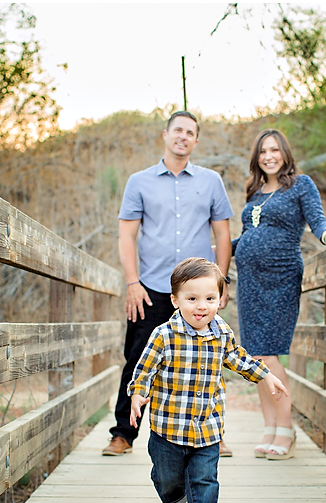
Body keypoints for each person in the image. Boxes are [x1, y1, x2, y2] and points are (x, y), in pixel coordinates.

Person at [128, 258, 289, 503]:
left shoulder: (221, 333)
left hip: (207, 426)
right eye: (192, 299)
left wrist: (265, 375)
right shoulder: (164, 335)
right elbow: (145, 369)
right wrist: (138, 394)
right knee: (168, 478)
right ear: (175, 300)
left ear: (220, 300)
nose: (201, 306)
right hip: (168, 427)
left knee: (205, 477)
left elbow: (237, 358)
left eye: (210, 298)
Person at [103, 110, 237, 458]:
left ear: (196, 140)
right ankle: (124, 433)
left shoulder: (210, 182)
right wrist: (132, 282)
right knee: (136, 359)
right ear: (165, 134)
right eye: (177, 130)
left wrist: (219, 285)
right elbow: (127, 236)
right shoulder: (139, 182)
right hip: (149, 287)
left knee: (207, 360)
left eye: (190, 132)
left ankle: (213, 434)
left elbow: (223, 233)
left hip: (197, 294)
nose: (183, 136)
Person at [232, 129, 326, 460]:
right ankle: (269, 428)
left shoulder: (300, 185)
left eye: (275, 150)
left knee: (269, 355)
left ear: (285, 154)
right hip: (249, 281)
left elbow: (316, 219)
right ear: (257, 157)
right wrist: (220, 250)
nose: (269, 156)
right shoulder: (254, 193)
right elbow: (247, 236)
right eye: (263, 151)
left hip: (280, 277)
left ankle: (286, 428)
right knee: (255, 357)